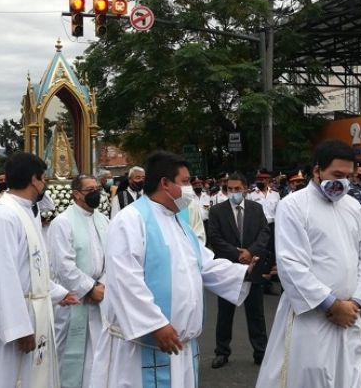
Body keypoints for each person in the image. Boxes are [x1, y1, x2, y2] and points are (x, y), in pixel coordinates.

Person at [90, 151, 257, 388]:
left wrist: (245, 271)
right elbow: (125, 280)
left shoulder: (179, 222)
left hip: (179, 346)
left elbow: (205, 264)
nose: (190, 189)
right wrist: (155, 324)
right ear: (165, 183)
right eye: (185, 181)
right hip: (145, 347)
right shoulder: (131, 220)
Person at [255, 140, 361, 388]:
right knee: (309, 379)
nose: (343, 182)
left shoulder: (353, 207)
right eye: (337, 175)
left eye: (348, 177)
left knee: (348, 378)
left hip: (349, 316)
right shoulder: (293, 206)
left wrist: (355, 303)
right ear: (317, 171)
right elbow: (291, 264)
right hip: (311, 316)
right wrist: (332, 304)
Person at [0, 153, 77, 388]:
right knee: (8, 379)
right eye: (44, 179)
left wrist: (58, 293)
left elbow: (32, 267)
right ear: (35, 179)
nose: (45, 185)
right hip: (12, 321)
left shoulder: (25, 210)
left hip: (32, 311)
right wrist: (18, 329)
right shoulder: (4, 215)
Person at [46, 175, 109, 388]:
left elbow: (112, 257)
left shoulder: (103, 219)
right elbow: (63, 266)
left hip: (100, 297)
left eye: (97, 188)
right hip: (73, 298)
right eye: (89, 189)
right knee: (69, 358)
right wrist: (90, 288)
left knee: (97, 356)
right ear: (76, 194)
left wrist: (103, 285)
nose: (96, 193)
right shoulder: (62, 222)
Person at [209, 172, 271, 368]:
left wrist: (250, 252)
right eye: (230, 189)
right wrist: (238, 254)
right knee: (225, 313)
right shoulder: (217, 211)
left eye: (237, 189)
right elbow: (215, 237)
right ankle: (222, 352)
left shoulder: (256, 208)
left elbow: (264, 233)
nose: (234, 192)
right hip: (228, 268)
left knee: (256, 312)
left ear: (245, 189)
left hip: (253, 266)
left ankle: (260, 352)